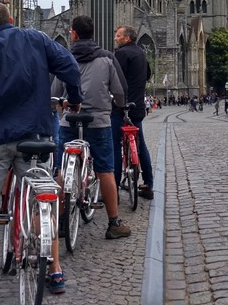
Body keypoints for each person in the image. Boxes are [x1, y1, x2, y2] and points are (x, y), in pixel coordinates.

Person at [0, 2, 83, 301]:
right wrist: (73, 99)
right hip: (33, 135)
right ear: (12, 20)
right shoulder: (36, 38)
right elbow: (70, 69)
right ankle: (55, 269)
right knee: (42, 200)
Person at [51, 15, 131, 240]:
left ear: (74, 34)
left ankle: (59, 221)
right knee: (105, 170)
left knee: (61, 169)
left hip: (69, 120)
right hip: (98, 122)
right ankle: (114, 222)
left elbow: (54, 92)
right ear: (92, 33)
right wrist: (119, 106)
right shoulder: (107, 57)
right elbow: (120, 90)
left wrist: (61, 108)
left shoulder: (64, 57)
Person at [112, 25, 155, 201]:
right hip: (137, 107)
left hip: (121, 107)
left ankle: (112, 186)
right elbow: (148, 75)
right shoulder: (141, 53)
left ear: (126, 38)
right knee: (141, 145)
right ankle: (148, 184)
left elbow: (114, 78)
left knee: (114, 145)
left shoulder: (122, 54)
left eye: (118, 35)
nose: (115, 38)